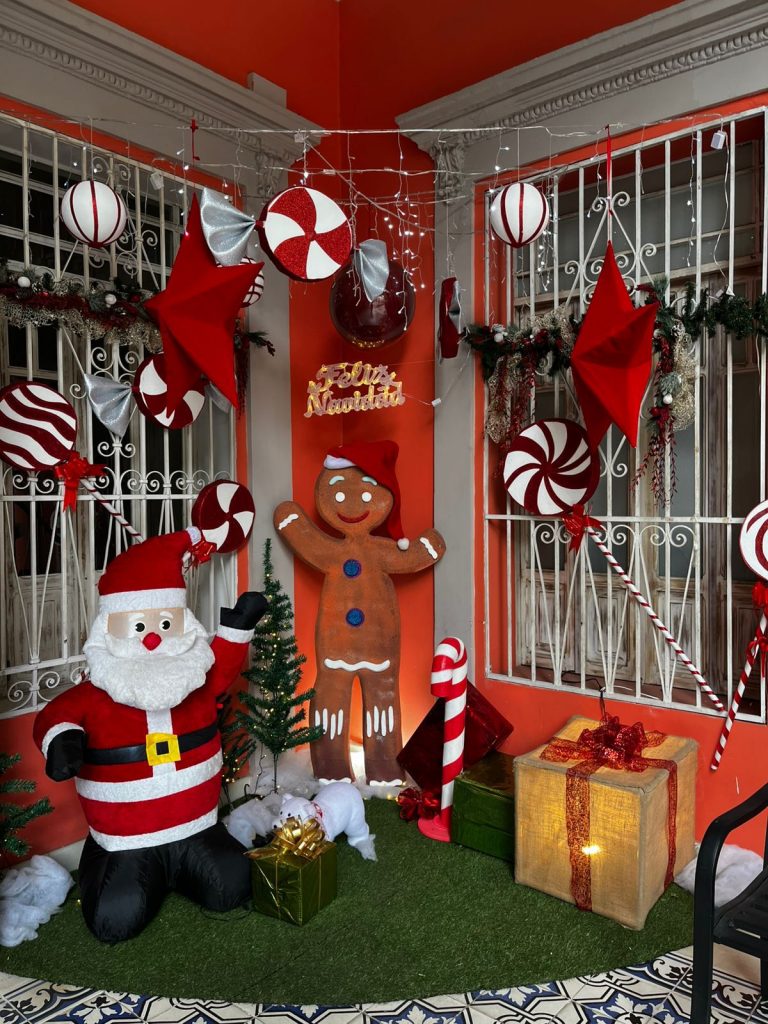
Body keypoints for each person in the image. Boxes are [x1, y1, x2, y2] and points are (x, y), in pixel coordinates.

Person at [34, 527, 266, 943]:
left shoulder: (192, 677)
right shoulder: (95, 693)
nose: (154, 637)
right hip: (127, 842)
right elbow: (56, 715)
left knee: (232, 885)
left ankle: (190, 861)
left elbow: (221, 669)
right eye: (139, 626)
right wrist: (63, 740)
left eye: (164, 624)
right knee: (116, 918)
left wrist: (237, 628)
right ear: (109, 628)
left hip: (197, 828)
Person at [274, 440, 445, 784]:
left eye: (367, 495)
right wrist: (291, 521)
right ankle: (331, 767)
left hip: (378, 650)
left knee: (382, 702)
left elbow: (409, 557)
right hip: (334, 651)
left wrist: (425, 548)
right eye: (338, 495)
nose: (352, 504)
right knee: (329, 702)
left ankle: (384, 768)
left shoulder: (380, 551)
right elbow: (308, 539)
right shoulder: (331, 552)